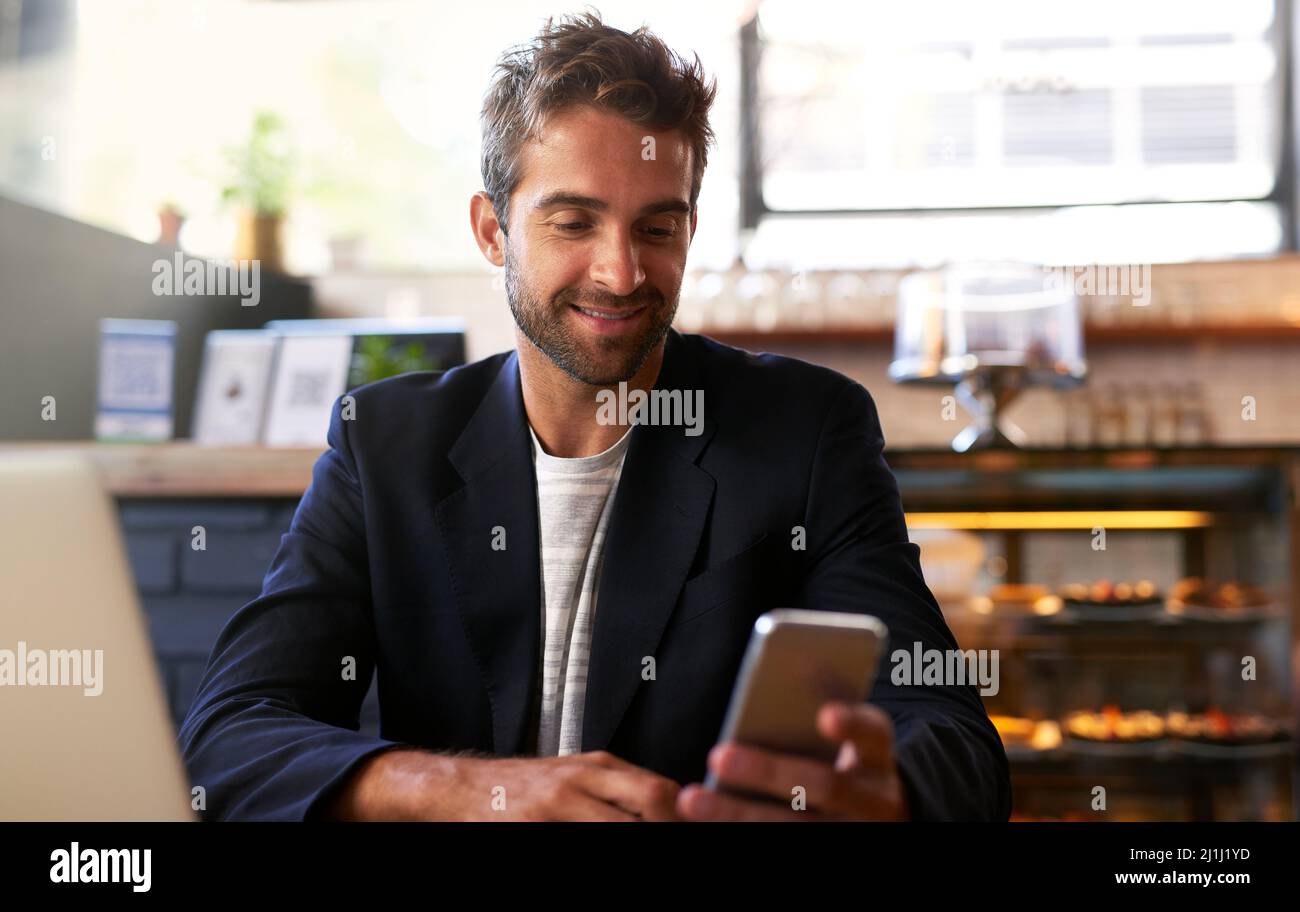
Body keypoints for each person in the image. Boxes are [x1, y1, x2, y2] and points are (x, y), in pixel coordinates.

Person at [179, 11, 1011, 822]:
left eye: (657, 227)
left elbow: (955, 743)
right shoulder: (385, 445)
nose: (620, 272)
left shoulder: (807, 431)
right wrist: (479, 794)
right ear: (492, 230)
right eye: (574, 221)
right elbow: (228, 743)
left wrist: (882, 790)